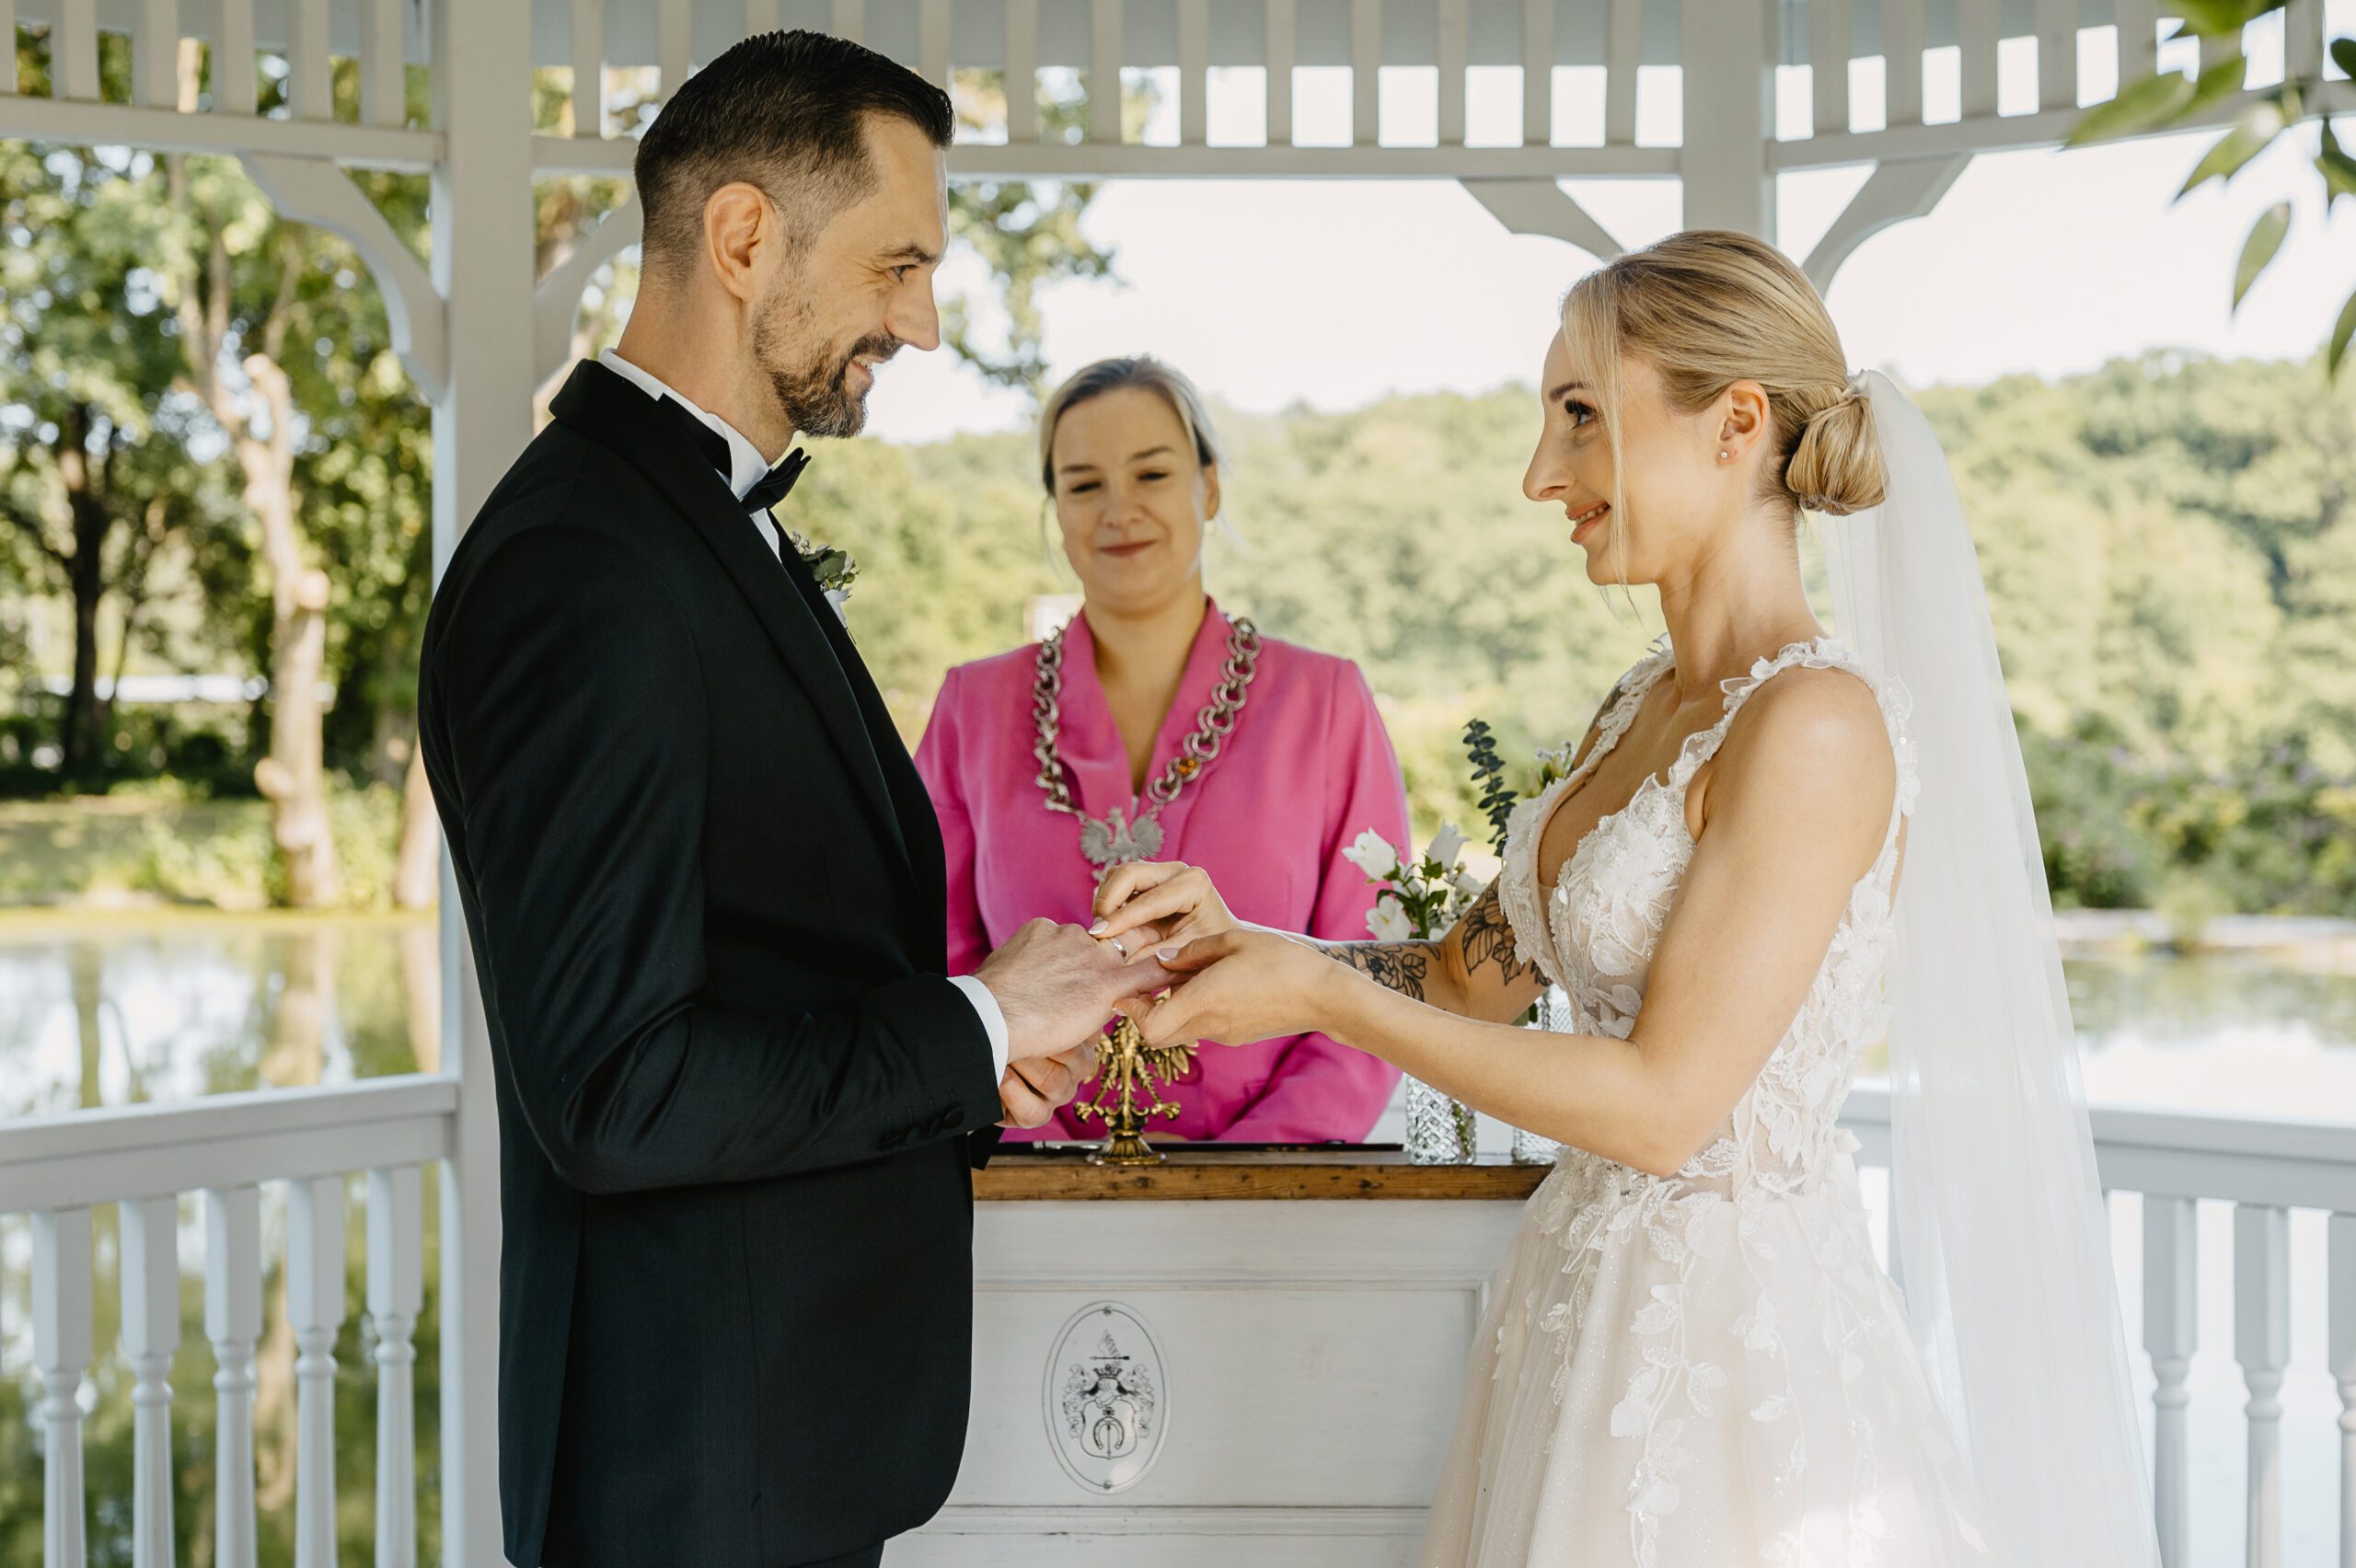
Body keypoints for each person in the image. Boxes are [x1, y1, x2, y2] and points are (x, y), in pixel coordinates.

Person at [1088, 232, 2158, 1567]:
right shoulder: (1636, 705)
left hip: (1725, 1361)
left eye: (1581, 416)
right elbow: (1467, 979)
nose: (1542, 473)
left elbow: (1663, 1108)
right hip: (1575, 1317)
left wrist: (1319, 999)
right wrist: (1251, 944)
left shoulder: (1816, 728)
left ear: (1736, 424)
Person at [417, 33, 1172, 1568]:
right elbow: (619, 1089)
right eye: (899, 265)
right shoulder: (585, 566)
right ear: (745, 237)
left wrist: (977, 1055)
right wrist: (974, 1021)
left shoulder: (691, 525)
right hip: (690, 1483)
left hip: (771, 1457)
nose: (924, 321)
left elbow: (770, 969)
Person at [914, 355, 1410, 1143]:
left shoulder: (1324, 702)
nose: (1120, 510)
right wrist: (1033, 1154)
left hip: (1275, 1185)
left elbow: (1375, 977)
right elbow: (933, 958)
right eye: (1084, 484)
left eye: (1151, 474)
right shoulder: (972, 708)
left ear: (1208, 488)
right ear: (1055, 509)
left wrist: (1249, 1176)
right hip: (1024, 1182)